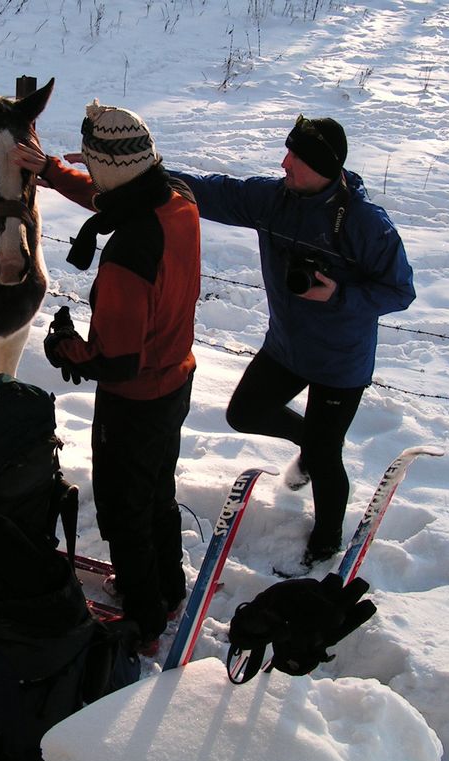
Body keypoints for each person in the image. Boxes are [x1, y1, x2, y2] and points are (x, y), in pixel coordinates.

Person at [169, 115, 415, 570]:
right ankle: (316, 445)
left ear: (323, 165)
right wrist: (137, 170)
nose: (284, 163)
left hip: (340, 363)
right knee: (244, 413)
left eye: (296, 158)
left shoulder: (365, 224)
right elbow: (213, 190)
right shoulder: (274, 200)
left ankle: (324, 549)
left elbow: (401, 291)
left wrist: (338, 294)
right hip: (287, 346)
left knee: (324, 459)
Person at [11, 101, 201, 653]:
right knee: (156, 493)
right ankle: (168, 587)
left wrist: (63, 346)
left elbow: (115, 359)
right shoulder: (177, 200)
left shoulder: (128, 254)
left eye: (95, 167)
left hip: (134, 398)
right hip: (175, 381)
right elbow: (111, 198)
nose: (92, 178)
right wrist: (49, 170)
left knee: (124, 509)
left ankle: (143, 621)